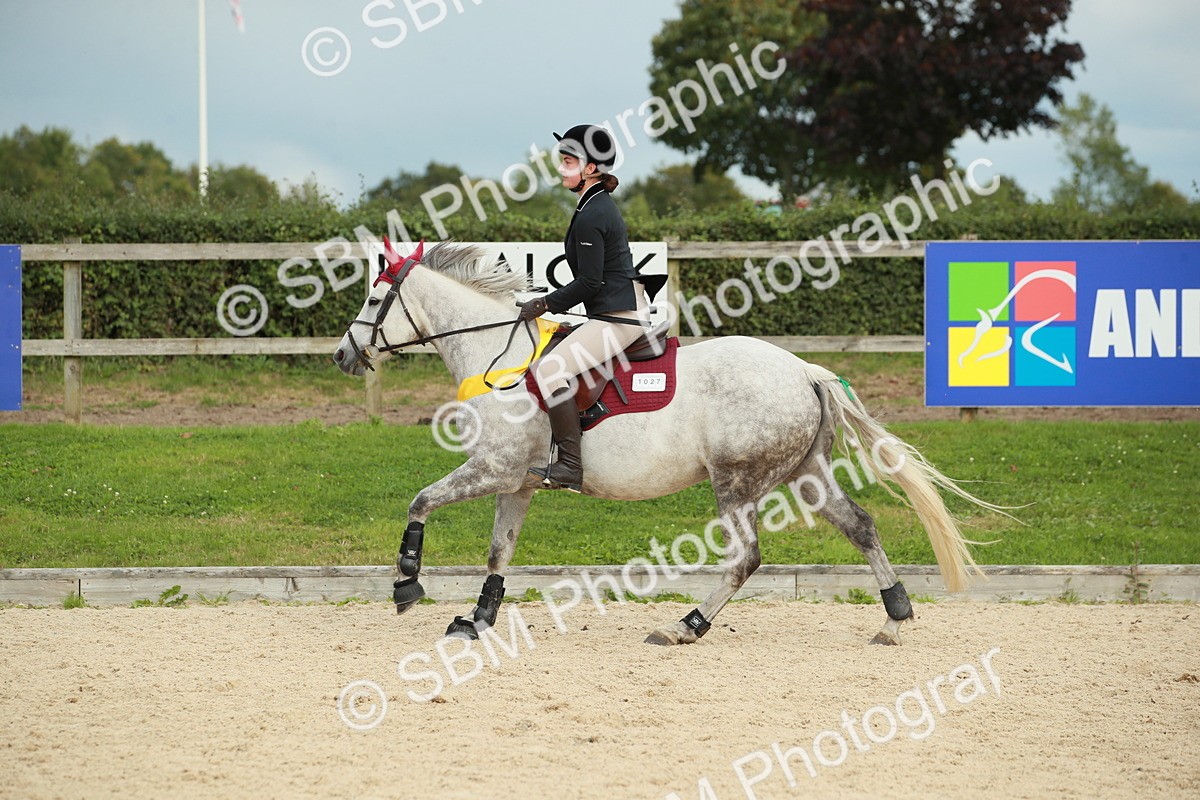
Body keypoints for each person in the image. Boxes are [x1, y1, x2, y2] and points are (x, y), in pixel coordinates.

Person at [518, 124, 650, 493]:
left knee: (549, 370)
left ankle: (569, 467)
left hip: (618, 317)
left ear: (591, 168)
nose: (561, 168)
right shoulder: (591, 205)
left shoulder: (594, 214)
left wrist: (544, 304)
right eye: (562, 160)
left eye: (568, 161)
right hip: (611, 310)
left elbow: (589, 283)